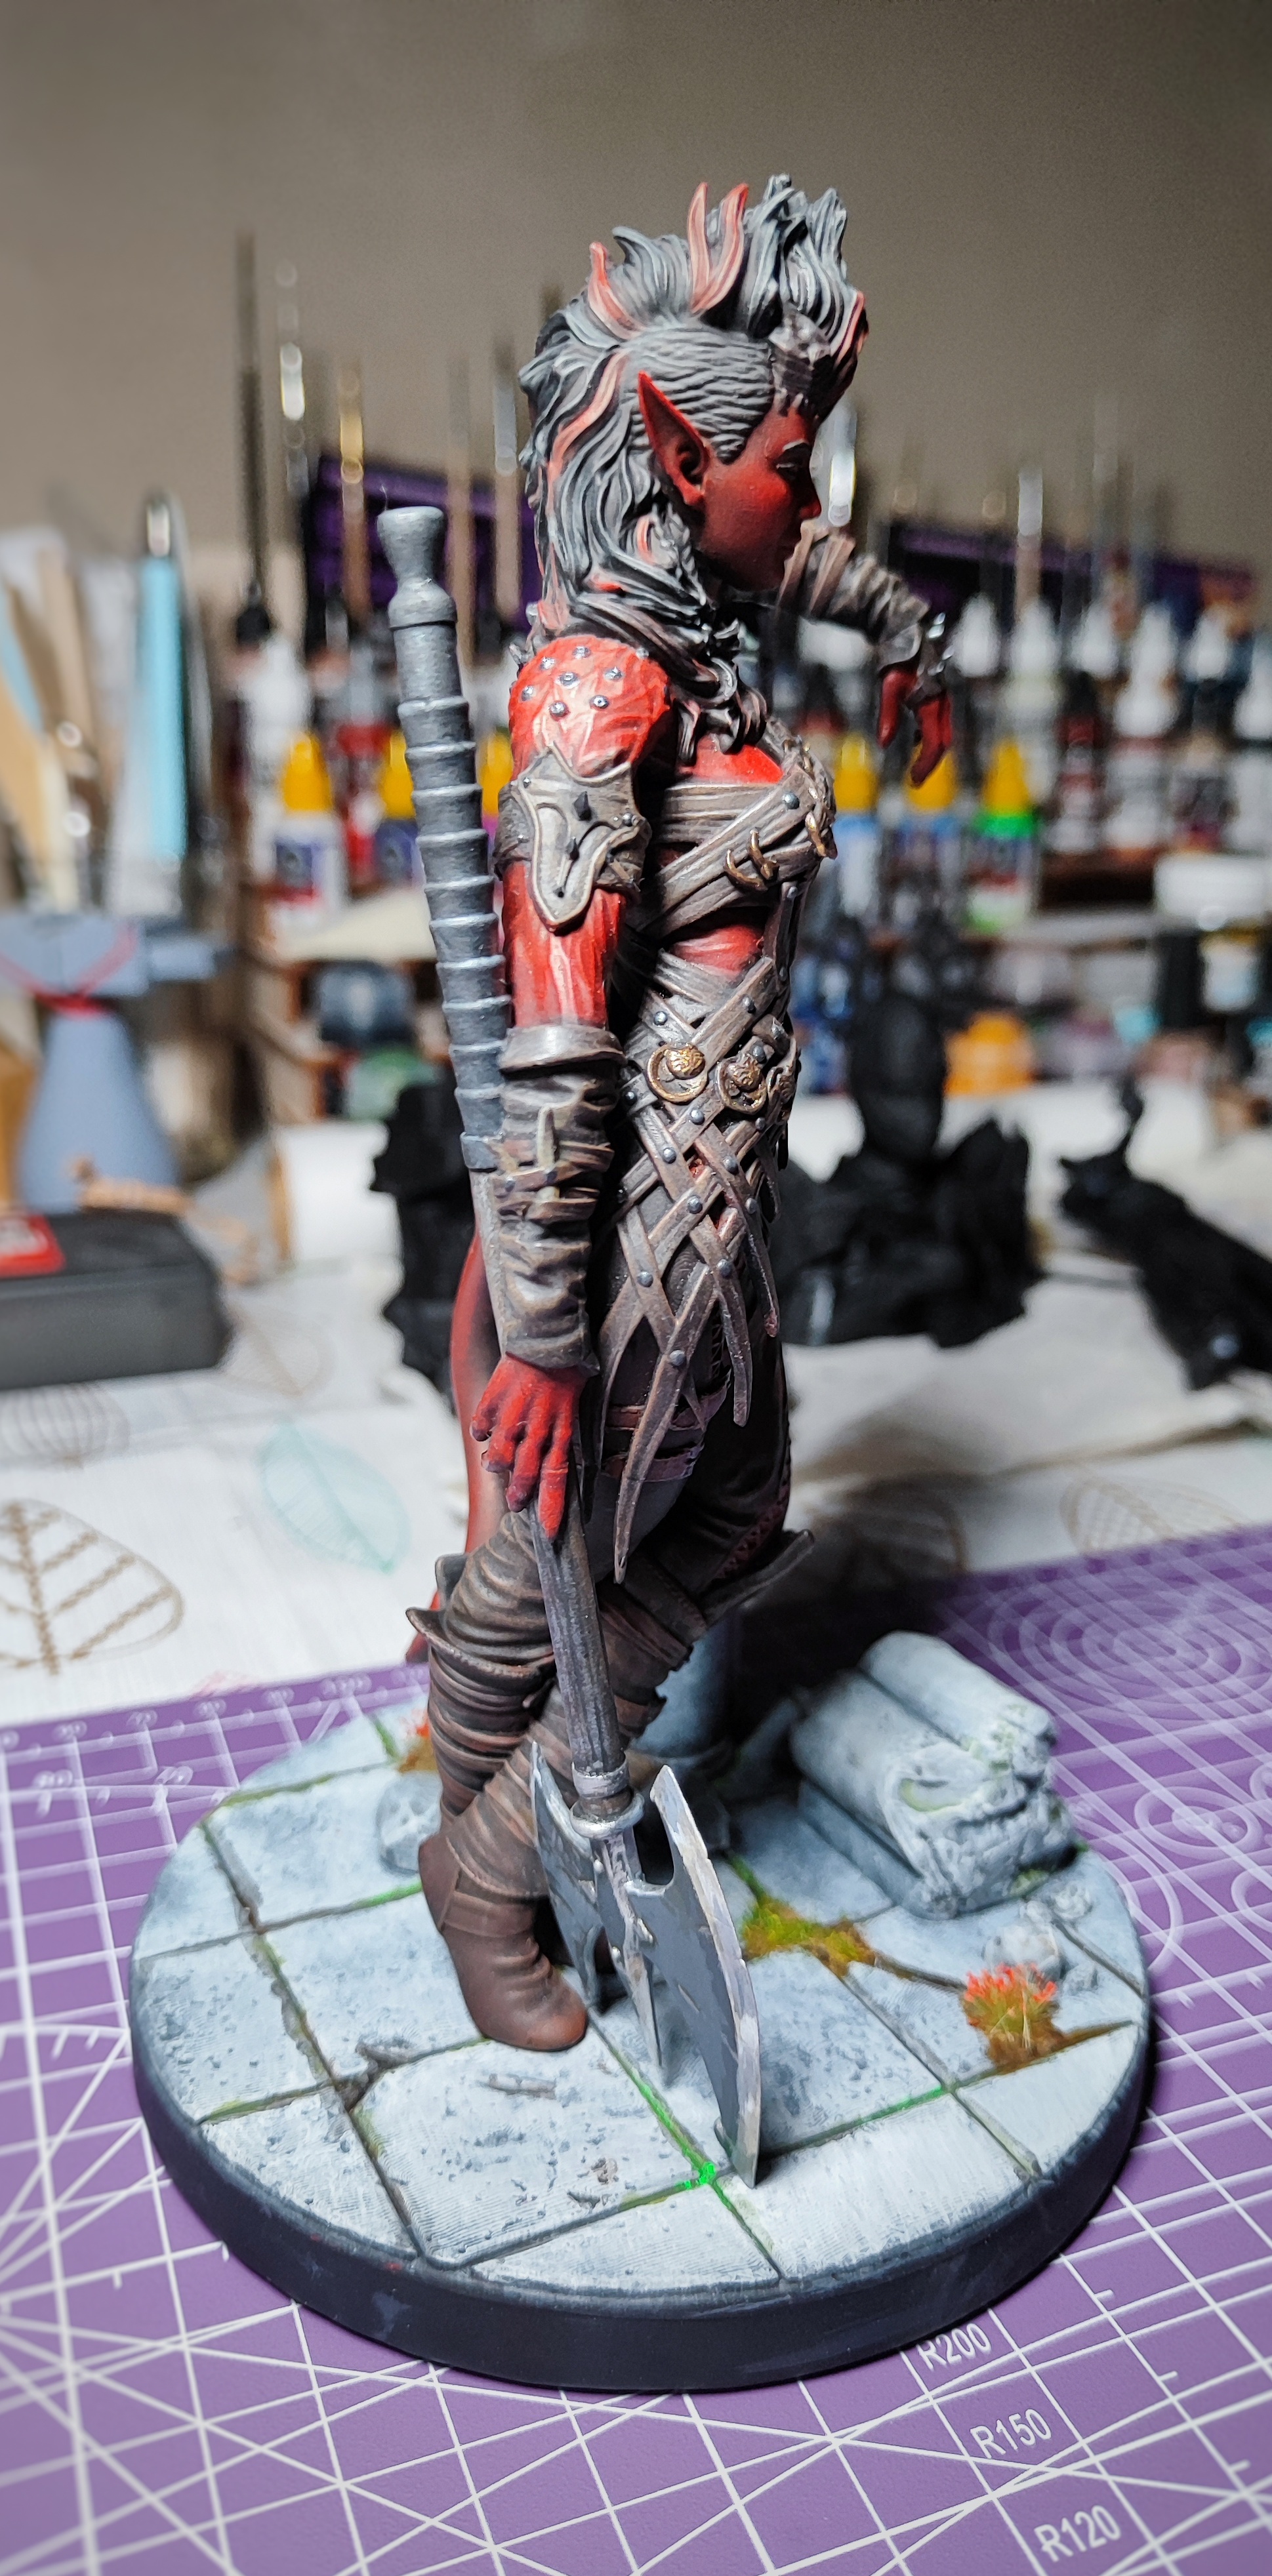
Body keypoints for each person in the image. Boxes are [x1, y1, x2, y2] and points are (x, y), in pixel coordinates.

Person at [416, 175, 951, 2047]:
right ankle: (484, 1869)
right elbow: (558, 1041)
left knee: (712, 1522)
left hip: (724, 1205)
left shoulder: (703, 610)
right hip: (631, 1224)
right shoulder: (596, 690)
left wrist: (912, 634)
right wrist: (548, 1336)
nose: (806, 504)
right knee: (581, 1557)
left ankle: (477, 1793)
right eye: (792, 464)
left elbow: (797, 548)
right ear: (668, 448)